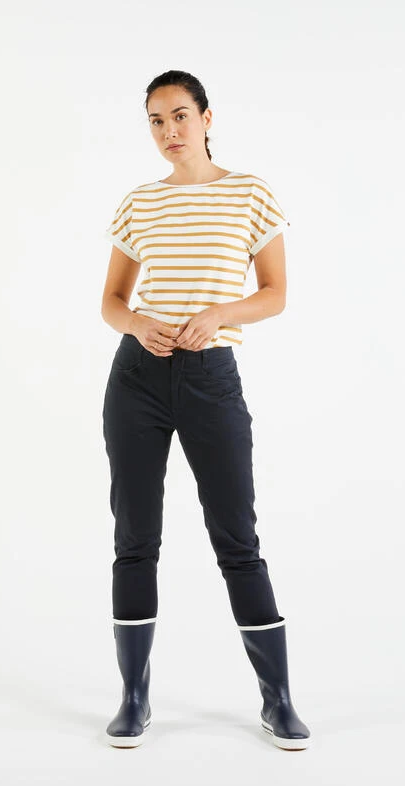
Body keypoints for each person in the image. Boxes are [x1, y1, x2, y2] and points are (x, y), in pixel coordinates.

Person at [100, 69, 311, 751]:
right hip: (137, 379)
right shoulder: (139, 202)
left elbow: (275, 293)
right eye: (156, 121)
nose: (169, 131)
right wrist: (137, 324)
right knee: (135, 538)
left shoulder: (250, 193)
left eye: (180, 116)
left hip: (211, 378)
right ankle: (133, 699)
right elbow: (112, 303)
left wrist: (219, 313)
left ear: (207, 118)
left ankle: (278, 701)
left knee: (237, 541)